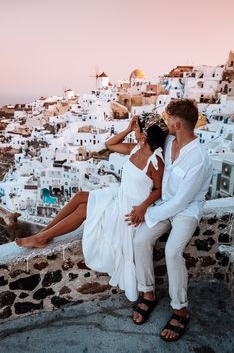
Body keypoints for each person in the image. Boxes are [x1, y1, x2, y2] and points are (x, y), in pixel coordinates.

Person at [16, 113, 168, 301]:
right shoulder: (135, 149)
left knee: (82, 210)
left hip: (129, 208)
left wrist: (144, 206)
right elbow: (110, 145)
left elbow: (160, 189)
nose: (134, 129)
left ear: (144, 134)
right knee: (80, 196)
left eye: (137, 128)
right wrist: (128, 129)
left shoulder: (155, 161)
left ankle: (43, 236)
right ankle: (43, 234)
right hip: (118, 195)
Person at [126, 99, 212, 341]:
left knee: (173, 252)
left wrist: (147, 213)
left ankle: (180, 309)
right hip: (164, 205)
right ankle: (148, 293)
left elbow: (182, 201)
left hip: (186, 211)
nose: (165, 122)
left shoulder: (199, 159)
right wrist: (134, 127)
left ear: (177, 124)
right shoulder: (170, 139)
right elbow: (149, 132)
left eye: (168, 120)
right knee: (140, 240)